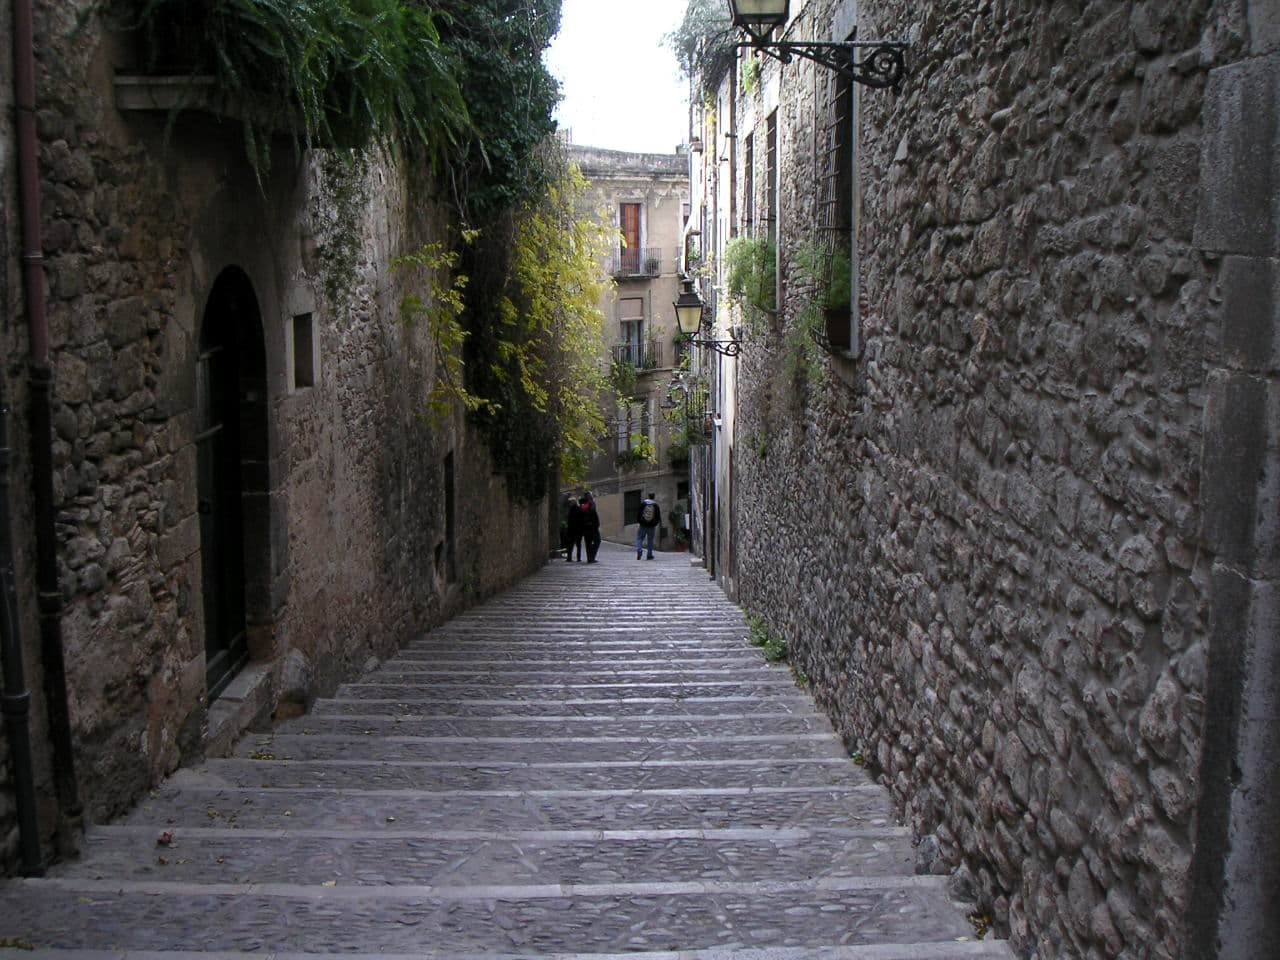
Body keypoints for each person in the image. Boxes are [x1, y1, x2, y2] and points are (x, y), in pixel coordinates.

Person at [635, 492, 661, 560]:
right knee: (650, 540)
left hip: (643, 525)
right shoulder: (656, 505)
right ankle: (649, 555)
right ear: (654, 497)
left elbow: (638, 513)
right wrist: (655, 523)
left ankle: (639, 550)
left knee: (640, 538)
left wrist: (640, 522)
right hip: (651, 526)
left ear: (648, 496)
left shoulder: (643, 504)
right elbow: (658, 517)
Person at [580, 492, 601, 563]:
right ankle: (591, 556)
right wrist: (596, 524)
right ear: (589, 496)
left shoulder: (582, 504)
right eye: (591, 495)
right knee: (597, 541)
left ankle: (590, 558)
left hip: (586, 527)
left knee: (588, 543)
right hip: (592, 526)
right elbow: (592, 514)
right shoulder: (591, 503)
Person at [565, 495, 585, 562]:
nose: (570, 504)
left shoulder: (571, 510)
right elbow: (582, 520)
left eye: (570, 502)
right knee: (578, 545)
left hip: (572, 530)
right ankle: (578, 558)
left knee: (570, 545)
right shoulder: (579, 509)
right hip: (578, 530)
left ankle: (569, 557)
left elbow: (569, 520)